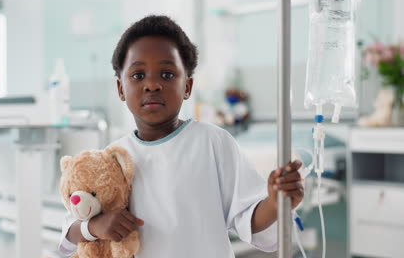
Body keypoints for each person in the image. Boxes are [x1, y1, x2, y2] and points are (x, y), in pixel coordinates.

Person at [58, 15, 304, 258]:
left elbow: (249, 216)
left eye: (166, 75)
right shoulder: (111, 159)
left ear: (187, 86)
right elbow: (69, 232)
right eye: (138, 75)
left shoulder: (212, 142)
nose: (152, 84)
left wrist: (274, 202)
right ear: (121, 89)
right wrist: (94, 227)